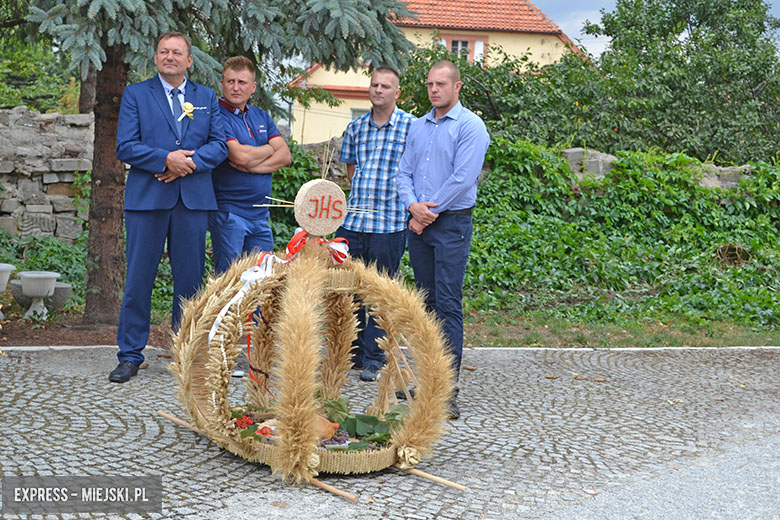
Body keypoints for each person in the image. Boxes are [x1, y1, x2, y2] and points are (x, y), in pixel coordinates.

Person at [110, 32, 227, 383]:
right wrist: (165, 159)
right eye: (164, 51)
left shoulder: (206, 97)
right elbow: (126, 146)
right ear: (156, 57)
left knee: (190, 281)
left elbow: (219, 145)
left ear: (189, 60)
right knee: (139, 279)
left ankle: (185, 354)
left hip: (192, 200)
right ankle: (130, 355)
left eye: (177, 52)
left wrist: (187, 164)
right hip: (147, 201)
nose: (170, 57)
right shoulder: (136, 94)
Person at [396, 60, 490, 419]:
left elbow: (463, 179)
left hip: (450, 225)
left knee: (447, 304)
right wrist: (413, 207)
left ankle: (446, 391)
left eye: (441, 84)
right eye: (430, 84)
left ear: (457, 87)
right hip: (420, 221)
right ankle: (429, 381)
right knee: (427, 303)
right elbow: (404, 172)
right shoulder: (418, 127)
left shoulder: (471, 126)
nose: (434, 90)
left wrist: (425, 214)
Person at [336, 66, 416, 382]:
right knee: (348, 289)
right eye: (374, 85)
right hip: (354, 220)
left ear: (397, 93)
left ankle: (375, 356)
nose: (378, 90)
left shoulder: (411, 127)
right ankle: (352, 352)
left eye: (385, 86)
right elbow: (352, 171)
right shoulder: (356, 127)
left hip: (390, 221)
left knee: (381, 293)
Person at [209, 56, 292, 274]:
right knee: (230, 280)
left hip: (260, 216)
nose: (236, 88)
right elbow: (240, 157)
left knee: (261, 282)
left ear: (252, 87)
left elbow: (285, 156)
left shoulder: (261, 116)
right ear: (222, 84)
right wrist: (268, 149)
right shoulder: (216, 115)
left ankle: (254, 312)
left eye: (242, 82)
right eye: (230, 81)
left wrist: (253, 166)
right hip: (230, 214)